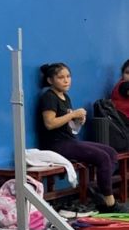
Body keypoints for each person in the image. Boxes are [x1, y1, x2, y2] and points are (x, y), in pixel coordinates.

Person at [37, 62, 118, 211]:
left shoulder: (65, 97)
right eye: (61, 77)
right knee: (103, 157)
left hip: (69, 140)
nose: (66, 80)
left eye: (68, 76)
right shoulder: (49, 97)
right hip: (56, 144)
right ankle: (110, 203)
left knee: (111, 152)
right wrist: (73, 114)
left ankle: (98, 188)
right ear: (50, 80)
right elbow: (50, 123)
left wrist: (77, 121)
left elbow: (68, 125)